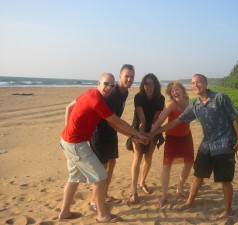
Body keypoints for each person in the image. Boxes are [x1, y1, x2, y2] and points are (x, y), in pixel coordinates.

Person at [151, 74, 238, 220]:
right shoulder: (195, 105)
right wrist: (154, 132)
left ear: (206, 84)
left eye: (199, 82)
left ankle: (228, 209)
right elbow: (176, 122)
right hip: (207, 145)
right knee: (198, 175)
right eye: (193, 83)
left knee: (225, 179)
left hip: (225, 144)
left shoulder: (220, 97)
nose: (196, 85)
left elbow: (233, 116)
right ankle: (189, 201)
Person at [59, 73, 148, 223]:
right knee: (100, 177)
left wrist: (133, 136)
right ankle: (102, 214)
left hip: (68, 141)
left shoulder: (89, 93)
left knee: (74, 178)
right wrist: (137, 133)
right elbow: (117, 122)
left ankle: (64, 212)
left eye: (111, 85)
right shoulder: (96, 99)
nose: (108, 87)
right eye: (106, 84)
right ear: (98, 83)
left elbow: (69, 107)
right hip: (76, 143)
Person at [89, 64, 135, 208]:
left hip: (111, 133)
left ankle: (104, 194)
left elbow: (116, 122)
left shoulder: (124, 93)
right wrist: (132, 134)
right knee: (101, 168)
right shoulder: (113, 94)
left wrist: (131, 134)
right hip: (99, 132)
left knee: (112, 163)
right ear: (120, 76)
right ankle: (93, 200)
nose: (129, 79)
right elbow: (114, 122)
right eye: (126, 76)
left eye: (132, 77)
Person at [151, 81, 194, 208]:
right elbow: (160, 120)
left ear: (182, 90)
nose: (175, 92)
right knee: (166, 166)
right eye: (172, 91)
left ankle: (179, 188)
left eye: (177, 89)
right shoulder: (171, 104)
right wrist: (151, 132)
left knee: (189, 163)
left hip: (186, 137)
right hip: (172, 139)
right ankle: (164, 195)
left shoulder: (187, 99)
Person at [129, 73, 165, 204]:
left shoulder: (160, 98)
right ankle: (134, 191)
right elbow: (142, 119)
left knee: (148, 157)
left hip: (153, 129)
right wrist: (141, 135)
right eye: (146, 83)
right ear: (143, 85)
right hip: (138, 128)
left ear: (155, 85)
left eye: (151, 84)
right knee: (137, 157)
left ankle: (142, 182)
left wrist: (150, 135)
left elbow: (156, 119)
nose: (148, 86)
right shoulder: (139, 97)